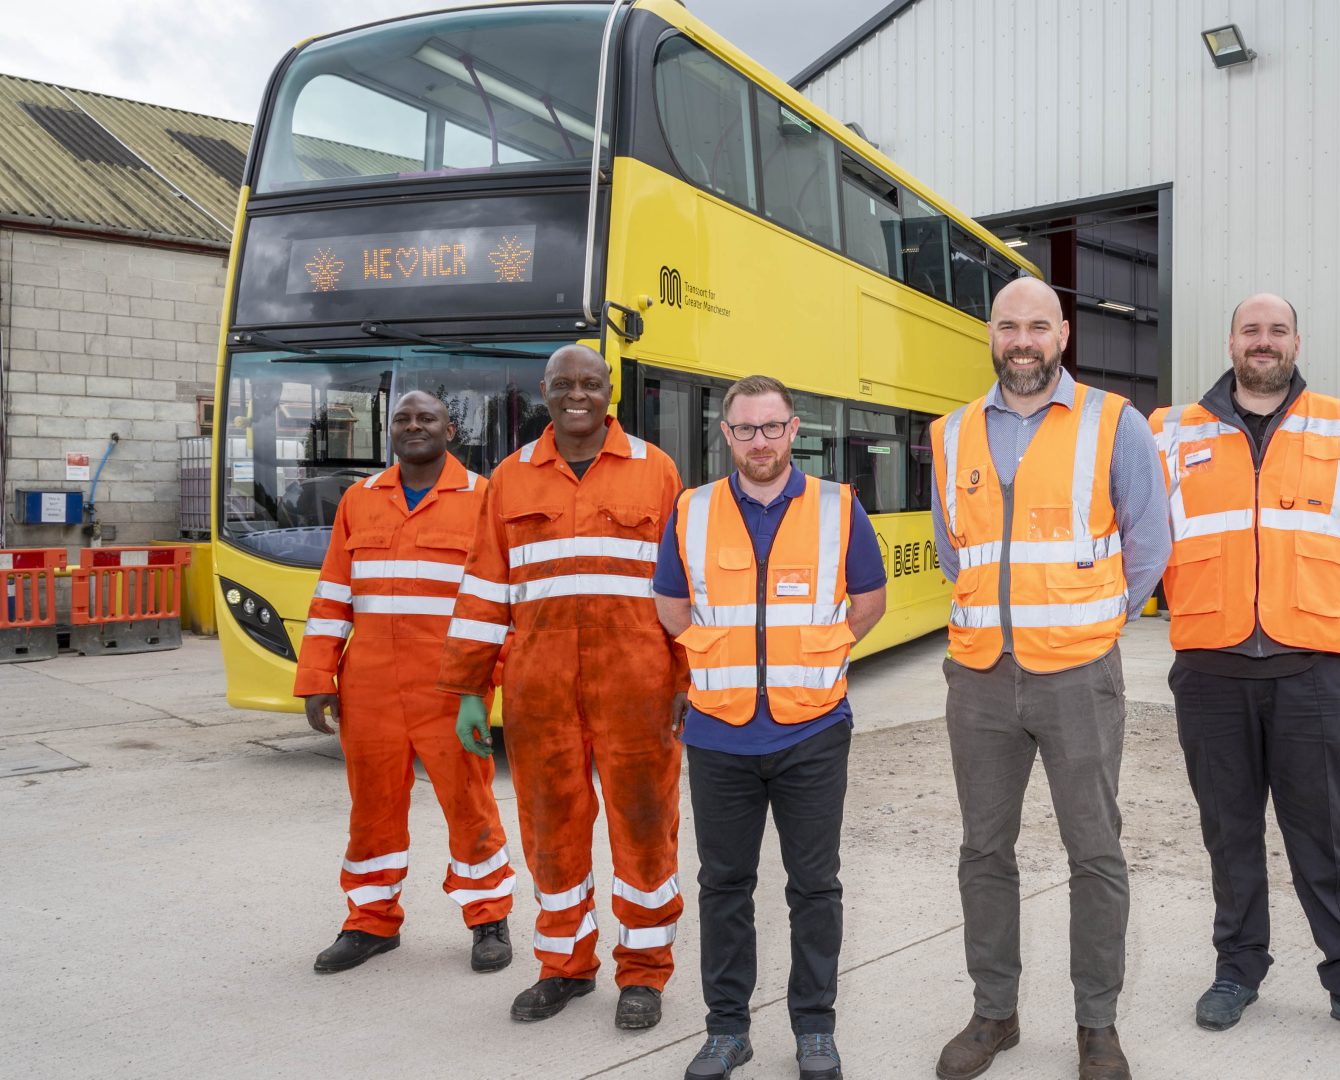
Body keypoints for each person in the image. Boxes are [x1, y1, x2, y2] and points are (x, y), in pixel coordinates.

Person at [1148, 294, 1340, 1051]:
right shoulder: (1173, 432)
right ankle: (1238, 969)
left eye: (1277, 331)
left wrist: (1328, 592)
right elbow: (1142, 525)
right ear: (1232, 341)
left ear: (1296, 341)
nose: (1264, 342)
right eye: (1251, 330)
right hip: (1210, 670)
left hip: (1308, 671)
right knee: (1229, 833)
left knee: (1321, 836)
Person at [929, 277, 1170, 1080]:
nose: (1022, 340)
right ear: (991, 335)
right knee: (983, 851)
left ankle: (1096, 1024)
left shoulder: (1115, 423)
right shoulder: (953, 433)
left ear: (1063, 334)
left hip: (1078, 677)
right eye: (1008, 326)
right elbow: (953, 551)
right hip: (980, 680)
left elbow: (1149, 545)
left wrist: (1098, 619)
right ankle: (993, 1013)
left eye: (1037, 326)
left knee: (1094, 851)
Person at [438, 345, 688, 1027]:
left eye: (591, 383)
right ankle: (565, 967)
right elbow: (485, 590)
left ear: (611, 392)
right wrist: (467, 690)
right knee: (550, 831)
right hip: (538, 691)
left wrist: (687, 678)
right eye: (563, 385)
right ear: (544, 394)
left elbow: (686, 589)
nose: (577, 394)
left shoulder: (656, 471)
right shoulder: (511, 480)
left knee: (644, 829)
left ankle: (642, 973)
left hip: (638, 685)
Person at [654, 375, 887, 1080]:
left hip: (811, 731)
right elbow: (671, 606)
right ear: (726, 435)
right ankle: (727, 1029)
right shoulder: (690, 511)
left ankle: (815, 1029)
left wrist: (814, 657)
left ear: (795, 429)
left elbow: (870, 600)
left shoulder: (837, 507)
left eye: (773, 427)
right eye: (745, 429)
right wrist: (718, 660)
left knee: (815, 886)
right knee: (723, 886)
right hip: (720, 734)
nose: (760, 441)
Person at [296, 389, 516, 975]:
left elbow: (499, 602)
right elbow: (333, 593)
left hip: (448, 684)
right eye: (403, 418)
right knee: (372, 807)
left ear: (451, 431)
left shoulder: (484, 498)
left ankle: (488, 918)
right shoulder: (359, 499)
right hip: (367, 684)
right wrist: (318, 677)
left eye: (427, 418)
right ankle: (369, 922)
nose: (414, 426)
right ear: (390, 430)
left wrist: (485, 683)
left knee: (468, 802)